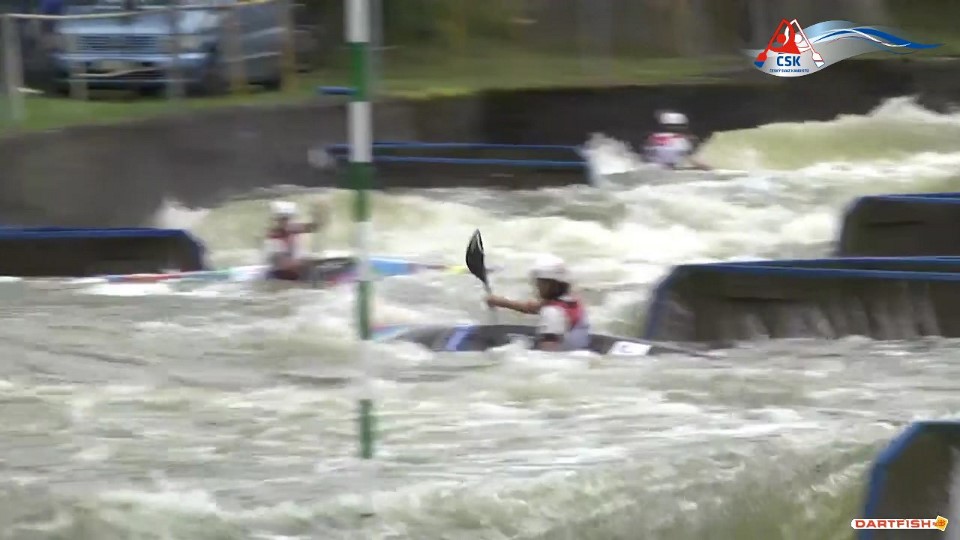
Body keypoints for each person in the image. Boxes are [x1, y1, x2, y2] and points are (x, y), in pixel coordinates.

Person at [485, 254, 590, 351]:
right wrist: (501, 302)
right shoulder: (572, 302)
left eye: (540, 283)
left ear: (551, 284)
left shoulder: (552, 313)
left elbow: (547, 353)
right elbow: (531, 307)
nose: (537, 287)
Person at [262, 200, 327, 281]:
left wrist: (319, 214)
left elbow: (315, 227)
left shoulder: (292, 228)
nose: (286, 222)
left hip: (295, 270)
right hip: (279, 274)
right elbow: (281, 263)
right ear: (276, 220)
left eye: (288, 219)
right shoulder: (273, 237)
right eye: (283, 219)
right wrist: (304, 262)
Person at [643, 110, 709, 170]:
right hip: (671, 171)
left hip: (651, 168)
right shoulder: (681, 140)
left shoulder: (651, 138)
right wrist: (705, 167)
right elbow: (691, 159)